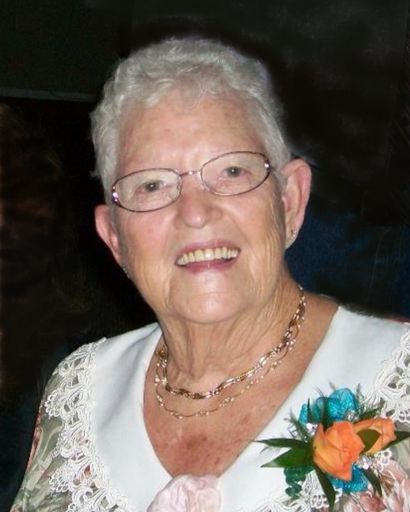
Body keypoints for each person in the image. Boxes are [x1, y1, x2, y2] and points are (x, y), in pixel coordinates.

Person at [12, 37, 410, 512]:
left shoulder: (398, 378)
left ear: (290, 202)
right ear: (114, 238)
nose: (195, 213)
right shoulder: (78, 391)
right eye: (152, 184)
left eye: (232, 172)